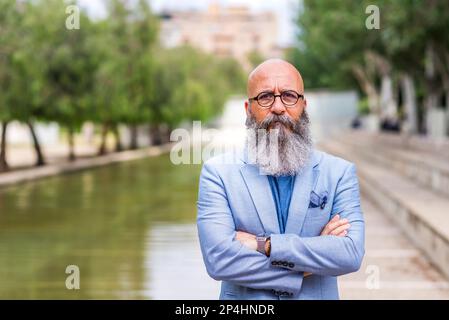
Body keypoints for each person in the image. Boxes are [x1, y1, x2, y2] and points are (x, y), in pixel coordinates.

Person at [197, 59, 365, 300]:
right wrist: (308, 265)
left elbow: (350, 253)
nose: (277, 107)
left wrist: (265, 245)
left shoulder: (339, 173)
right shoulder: (218, 174)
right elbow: (219, 261)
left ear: (303, 106)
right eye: (265, 97)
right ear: (248, 109)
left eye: (288, 96)